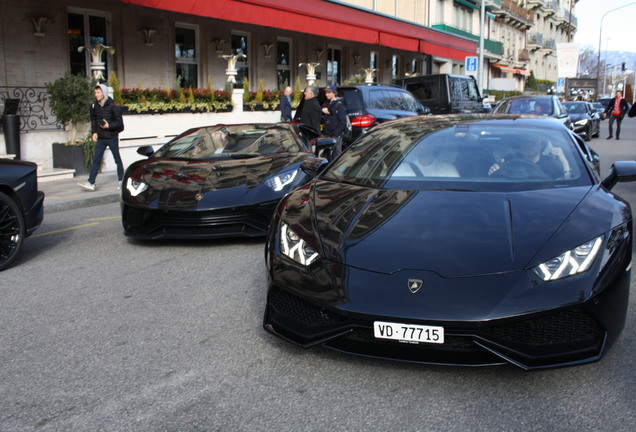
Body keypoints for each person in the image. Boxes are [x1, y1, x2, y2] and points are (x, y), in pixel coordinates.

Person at [78, 84, 124, 191]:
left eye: (98, 92)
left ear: (104, 93)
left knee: (117, 159)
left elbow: (120, 125)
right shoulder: (94, 106)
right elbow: (93, 120)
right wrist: (94, 132)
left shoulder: (114, 107)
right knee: (96, 160)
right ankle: (91, 182)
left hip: (112, 137)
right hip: (101, 138)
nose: (96, 95)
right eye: (95, 93)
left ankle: (121, 181)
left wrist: (109, 126)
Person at [489, 137, 570, 179]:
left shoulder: (550, 163)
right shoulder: (509, 160)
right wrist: (493, 172)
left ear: (542, 144)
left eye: (533, 142)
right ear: (520, 144)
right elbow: (498, 181)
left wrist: (564, 163)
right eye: (525, 142)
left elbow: (567, 184)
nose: (529, 145)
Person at [321, 84, 347, 157]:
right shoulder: (327, 103)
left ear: (334, 93)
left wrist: (335, 134)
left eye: (329, 92)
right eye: (326, 93)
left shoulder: (339, 104)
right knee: (326, 156)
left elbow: (342, 122)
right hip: (327, 134)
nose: (326, 94)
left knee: (336, 156)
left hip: (335, 135)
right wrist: (322, 110)